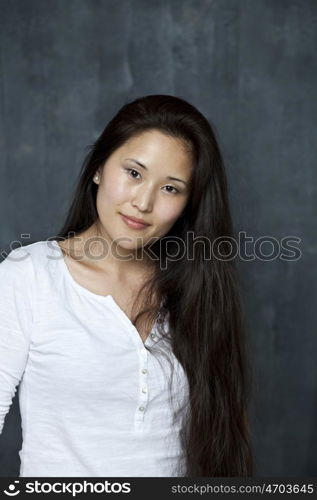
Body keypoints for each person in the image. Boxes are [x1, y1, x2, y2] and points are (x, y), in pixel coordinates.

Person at [0, 94, 253, 477]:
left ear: (189, 203)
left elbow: (223, 438)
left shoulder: (195, 286)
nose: (143, 202)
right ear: (99, 168)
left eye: (171, 188)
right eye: (134, 173)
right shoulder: (29, 274)